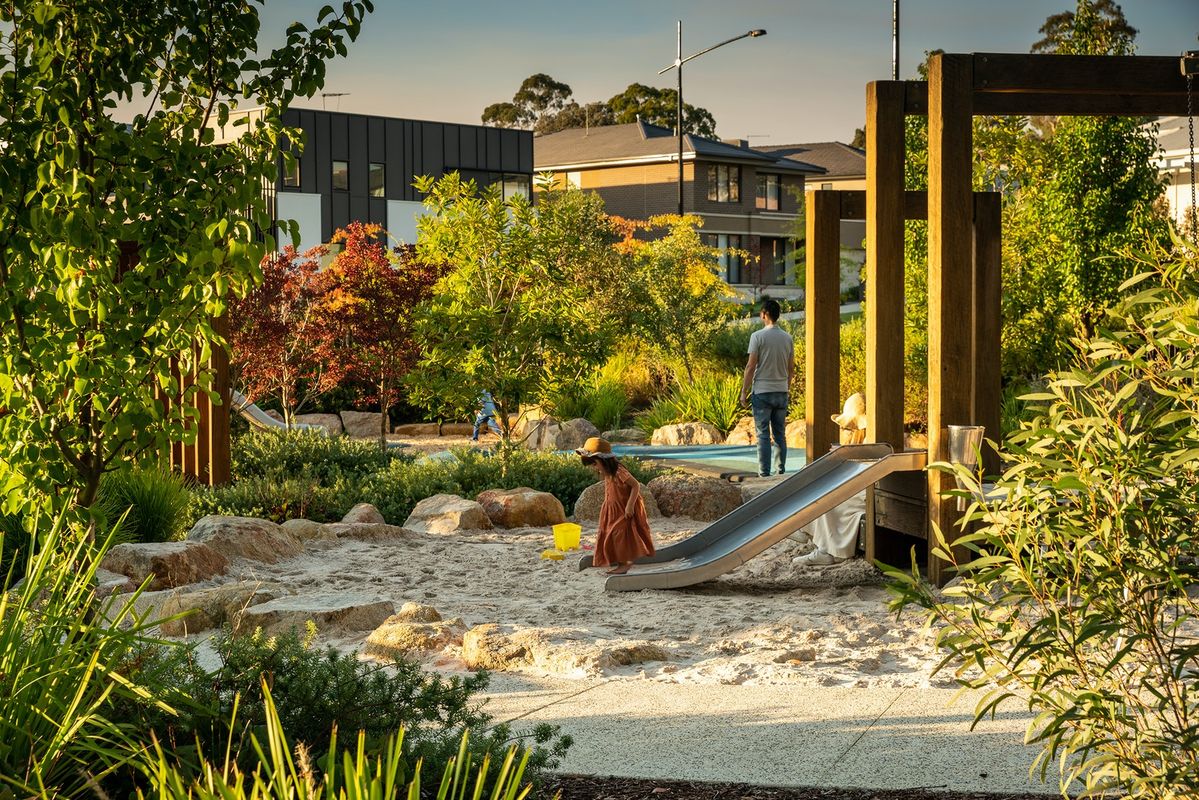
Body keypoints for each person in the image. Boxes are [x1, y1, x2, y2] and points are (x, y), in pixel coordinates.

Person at [576, 436, 654, 575]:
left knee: (618, 534)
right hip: (612, 509)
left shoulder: (619, 471)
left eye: (595, 464)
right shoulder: (607, 472)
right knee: (609, 533)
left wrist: (630, 506)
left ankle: (625, 564)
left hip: (623, 508)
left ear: (604, 460)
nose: (595, 468)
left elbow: (635, 485)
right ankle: (617, 560)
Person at [739, 299, 794, 478]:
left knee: (762, 434)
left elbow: (750, 366)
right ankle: (780, 471)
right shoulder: (787, 338)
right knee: (779, 434)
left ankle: (764, 473)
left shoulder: (757, 337)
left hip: (762, 391)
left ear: (764, 314)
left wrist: (744, 391)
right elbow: (791, 368)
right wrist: (786, 387)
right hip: (781, 391)